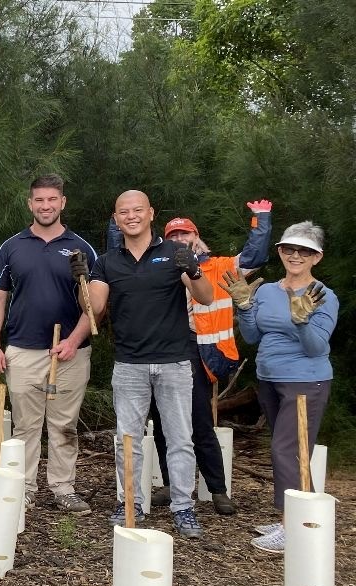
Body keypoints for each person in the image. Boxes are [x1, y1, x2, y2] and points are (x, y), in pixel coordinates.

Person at [81, 190, 213, 538]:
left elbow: (206, 297)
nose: (131, 216)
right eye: (123, 211)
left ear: (151, 213)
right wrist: (79, 282)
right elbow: (94, 309)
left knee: (180, 438)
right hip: (129, 365)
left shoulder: (174, 253)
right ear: (116, 218)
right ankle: (131, 504)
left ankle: (183, 508)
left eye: (137, 210)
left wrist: (194, 271)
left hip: (173, 362)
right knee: (127, 439)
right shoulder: (107, 261)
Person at [141, 202, 273, 516]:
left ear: (196, 236)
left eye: (185, 233)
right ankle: (172, 484)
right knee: (161, 422)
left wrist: (261, 219)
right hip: (163, 350)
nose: (180, 239)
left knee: (199, 422)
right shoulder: (159, 267)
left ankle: (217, 490)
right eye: (173, 235)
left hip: (200, 351)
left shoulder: (219, 266)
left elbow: (254, 256)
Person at [0, 175, 96, 513]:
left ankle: (63, 487)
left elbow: (95, 306)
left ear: (62, 202)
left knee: (64, 424)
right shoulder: (11, 247)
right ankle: (24, 487)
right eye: (39, 200)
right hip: (23, 348)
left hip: (70, 352)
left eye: (52, 200)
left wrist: (81, 282)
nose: (45, 206)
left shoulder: (81, 248)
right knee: (26, 426)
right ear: (30, 203)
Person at [228, 222, 337, 552]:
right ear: (279, 252)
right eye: (289, 249)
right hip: (269, 379)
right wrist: (244, 308)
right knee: (287, 451)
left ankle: (295, 529)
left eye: (304, 251)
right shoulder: (266, 291)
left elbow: (317, 347)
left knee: (289, 451)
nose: (295, 255)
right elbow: (252, 337)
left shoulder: (323, 296)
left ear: (316, 257)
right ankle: (298, 519)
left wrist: (302, 321)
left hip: (306, 380)